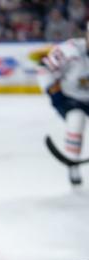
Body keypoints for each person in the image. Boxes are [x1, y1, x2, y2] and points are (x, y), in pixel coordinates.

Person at [37, 21, 89, 186]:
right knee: (76, 120)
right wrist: (54, 93)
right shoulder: (69, 50)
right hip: (70, 98)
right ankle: (73, 164)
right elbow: (44, 69)